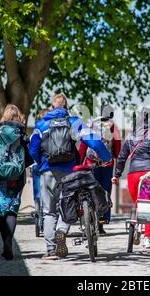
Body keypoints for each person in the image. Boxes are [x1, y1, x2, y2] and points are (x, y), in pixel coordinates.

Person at [29, 93, 111, 260]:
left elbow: (33, 150)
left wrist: (41, 164)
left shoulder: (41, 124)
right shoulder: (74, 122)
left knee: (49, 210)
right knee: (68, 204)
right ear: (66, 107)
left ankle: (51, 250)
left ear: (51, 107)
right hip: (69, 171)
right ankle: (62, 231)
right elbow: (94, 142)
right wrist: (107, 157)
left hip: (47, 170)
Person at [0, 104, 33, 260]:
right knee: (12, 209)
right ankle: (9, 241)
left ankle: (6, 244)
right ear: (18, 117)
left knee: (2, 209)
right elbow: (29, 159)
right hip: (16, 179)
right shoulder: (22, 136)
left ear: (4, 117)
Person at [112, 107, 150, 249]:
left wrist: (116, 174)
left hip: (133, 174)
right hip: (149, 174)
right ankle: (147, 238)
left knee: (139, 204)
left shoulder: (131, 136)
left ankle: (137, 228)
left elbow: (122, 157)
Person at [78, 104, 121, 234]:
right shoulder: (113, 126)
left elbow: (83, 145)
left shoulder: (91, 125)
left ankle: (90, 218)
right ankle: (102, 221)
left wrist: (80, 161)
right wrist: (116, 158)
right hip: (107, 164)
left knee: (91, 190)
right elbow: (117, 146)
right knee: (105, 191)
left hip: (92, 163)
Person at [31, 109, 50, 231]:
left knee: (38, 194)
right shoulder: (52, 130)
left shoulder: (36, 131)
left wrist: (37, 161)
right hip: (49, 164)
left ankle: (39, 220)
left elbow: (32, 150)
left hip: (37, 165)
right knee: (49, 194)